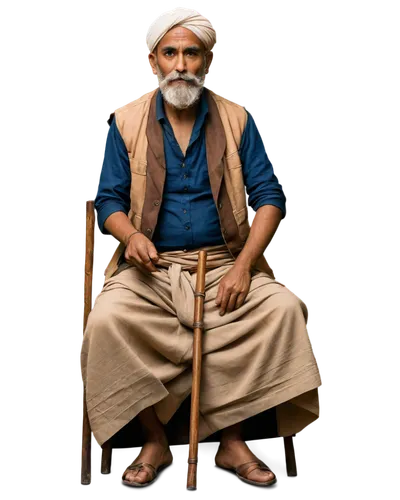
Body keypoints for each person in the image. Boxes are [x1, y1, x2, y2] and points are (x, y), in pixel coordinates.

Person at [80, 5, 322, 490]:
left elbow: (269, 197)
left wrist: (244, 267)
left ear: (207, 62)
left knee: (281, 309)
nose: (181, 65)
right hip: (150, 269)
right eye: (169, 53)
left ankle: (230, 438)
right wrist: (131, 236)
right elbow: (107, 199)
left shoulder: (235, 119)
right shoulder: (124, 122)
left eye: (192, 53)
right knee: (107, 320)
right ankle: (155, 440)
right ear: (153, 63)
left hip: (227, 264)